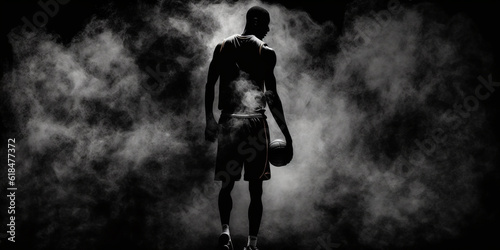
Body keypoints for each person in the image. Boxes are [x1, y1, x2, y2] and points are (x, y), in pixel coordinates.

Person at [205, 6, 293, 250]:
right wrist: (286, 134)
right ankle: (252, 244)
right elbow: (272, 97)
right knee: (256, 189)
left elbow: (210, 84)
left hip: (229, 120)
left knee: (227, 183)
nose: (267, 29)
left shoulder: (222, 47)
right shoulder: (265, 52)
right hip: (254, 123)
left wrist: (209, 120)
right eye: (265, 24)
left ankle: (225, 232)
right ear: (255, 21)